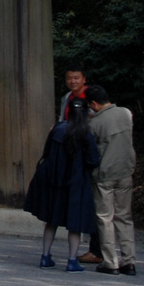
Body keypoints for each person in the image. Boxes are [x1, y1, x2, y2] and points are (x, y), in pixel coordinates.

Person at [24, 97, 100, 271]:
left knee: (52, 220)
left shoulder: (58, 129)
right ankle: (72, 260)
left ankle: (45, 256)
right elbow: (93, 159)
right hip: (76, 183)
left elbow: (48, 152)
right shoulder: (85, 134)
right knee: (75, 223)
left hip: (55, 181)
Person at [86, 85, 137, 276]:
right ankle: (129, 260)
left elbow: (91, 150)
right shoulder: (126, 113)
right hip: (125, 172)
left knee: (105, 218)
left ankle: (110, 261)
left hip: (105, 174)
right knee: (124, 217)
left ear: (94, 104)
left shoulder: (95, 123)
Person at [58, 65, 103, 264]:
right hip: (70, 152)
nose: (73, 81)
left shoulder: (91, 96)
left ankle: (97, 248)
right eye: (70, 78)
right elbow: (62, 121)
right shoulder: (66, 98)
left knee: (95, 202)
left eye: (76, 78)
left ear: (84, 79)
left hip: (87, 151)